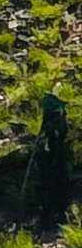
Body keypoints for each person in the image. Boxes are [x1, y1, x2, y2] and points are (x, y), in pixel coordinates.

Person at [36, 90, 70, 225]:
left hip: (56, 162)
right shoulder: (53, 121)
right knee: (53, 185)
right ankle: (51, 215)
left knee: (56, 185)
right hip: (52, 164)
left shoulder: (57, 122)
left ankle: (56, 214)